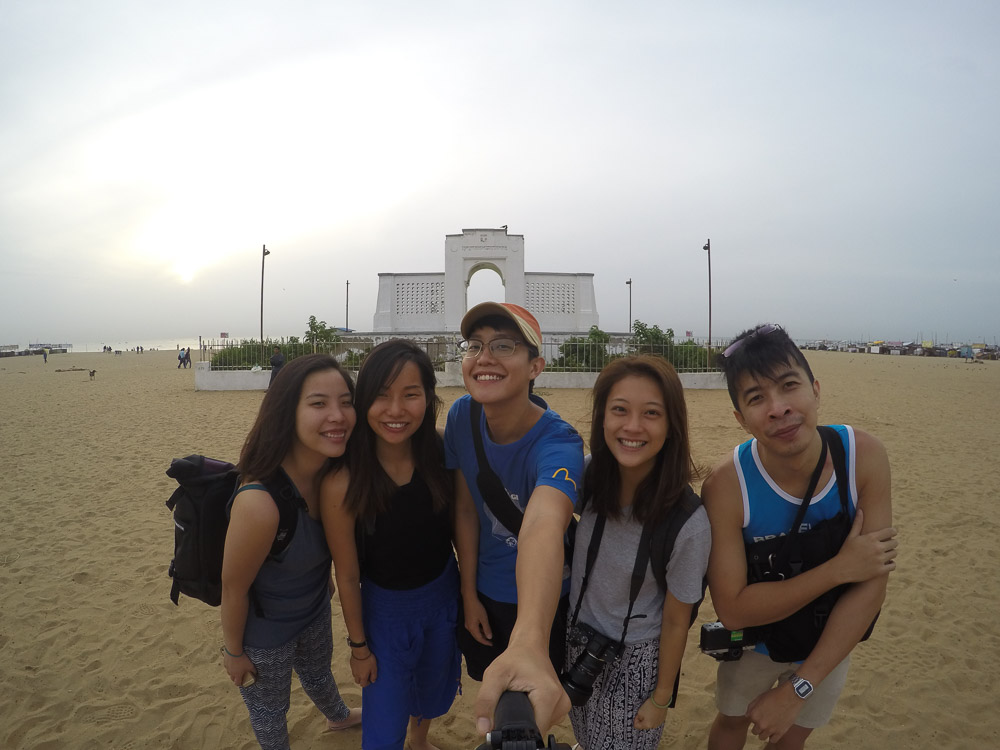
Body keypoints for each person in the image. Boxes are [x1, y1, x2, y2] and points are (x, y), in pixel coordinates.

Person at [703, 324, 898, 749]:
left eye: (789, 386)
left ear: (815, 390)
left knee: (792, 737)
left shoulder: (862, 458)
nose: (778, 408)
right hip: (758, 642)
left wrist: (800, 687)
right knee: (733, 719)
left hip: (831, 639)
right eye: (756, 398)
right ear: (740, 418)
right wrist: (839, 569)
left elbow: (871, 587)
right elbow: (734, 610)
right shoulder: (727, 485)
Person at [444, 302, 584, 736]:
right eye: (475, 345)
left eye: (504, 345)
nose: (485, 358)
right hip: (486, 594)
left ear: (535, 366)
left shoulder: (559, 443)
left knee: (541, 699)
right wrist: (469, 595)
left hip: (546, 601)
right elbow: (465, 509)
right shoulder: (461, 417)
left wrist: (528, 640)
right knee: (494, 695)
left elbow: (544, 523)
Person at [566, 355, 710, 749]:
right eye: (619, 410)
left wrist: (662, 697)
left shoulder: (688, 524)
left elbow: (678, 621)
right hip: (577, 641)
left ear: (671, 425)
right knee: (584, 732)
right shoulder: (592, 475)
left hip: (634, 661)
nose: (632, 427)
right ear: (602, 418)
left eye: (651, 413)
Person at [322, 339, 460, 750]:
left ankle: (419, 742)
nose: (396, 410)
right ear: (363, 402)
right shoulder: (344, 479)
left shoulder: (440, 450)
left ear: (428, 398)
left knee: (433, 689)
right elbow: (346, 574)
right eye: (381, 396)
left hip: (443, 594)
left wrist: (467, 595)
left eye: (411, 395)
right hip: (383, 612)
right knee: (383, 720)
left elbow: (461, 530)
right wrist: (359, 648)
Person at [221, 353, 362, 749]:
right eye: (318, 404)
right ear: (288, 412)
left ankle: (337, 717)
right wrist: (233, 652)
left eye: (346, 402)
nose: (337, 415)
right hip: (265, 636)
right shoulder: (260, 503)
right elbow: (232, 588)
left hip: (314, 610)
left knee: (318, 673)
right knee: (270, 711)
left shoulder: (333, 474)